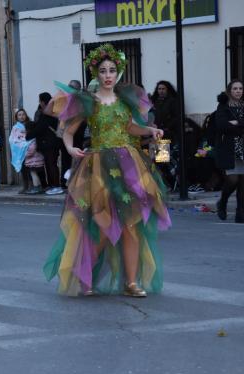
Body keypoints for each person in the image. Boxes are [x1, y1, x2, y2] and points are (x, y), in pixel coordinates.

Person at [43, 43, 171, 297]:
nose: (108, 75)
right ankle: (84, 278)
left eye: (112, 70)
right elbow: (68, 132)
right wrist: (70, 149)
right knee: (103, 226)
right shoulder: (88, 102)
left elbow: (131, 128)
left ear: (118, 72)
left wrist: (150, 130)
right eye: (103, 71)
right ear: (96, 73)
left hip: (129, 164)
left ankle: (131, 282)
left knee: (132, 224)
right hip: (100, 166)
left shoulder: (126, 99)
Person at [214, 80, 244, 223]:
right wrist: (242, 126)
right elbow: (222, 125)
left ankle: (240, 213)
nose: (238, 91)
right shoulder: (223, 106)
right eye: (235, 88)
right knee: (233, 179)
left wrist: (238, 123)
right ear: (230, 91)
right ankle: (222, 202)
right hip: (229, 147)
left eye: (240, 88)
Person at [26, 92, 61, 195]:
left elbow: (39, 128)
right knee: (50, 164)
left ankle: (56, 186)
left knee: (51, 165)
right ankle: (52, 186)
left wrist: (28, 136)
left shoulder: (47, 114)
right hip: (52, 143)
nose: (39, 103)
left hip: (49, 143)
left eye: (40, 101)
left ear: (43, 102)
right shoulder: (54, 112)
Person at [9, 109, 44, 194]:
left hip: (29, 150)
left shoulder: (30, 124)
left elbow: (32, 137)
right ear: (16, 117)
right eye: (19, 115)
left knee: (32, 170)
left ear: (26, 115)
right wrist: (20, 145)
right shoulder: (15, 127)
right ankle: (25, 186)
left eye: (23, 114)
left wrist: (26, 144)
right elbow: (12, 139)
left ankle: (33, 186)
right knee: (23, 170)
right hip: (20, 151)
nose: (22, 116)